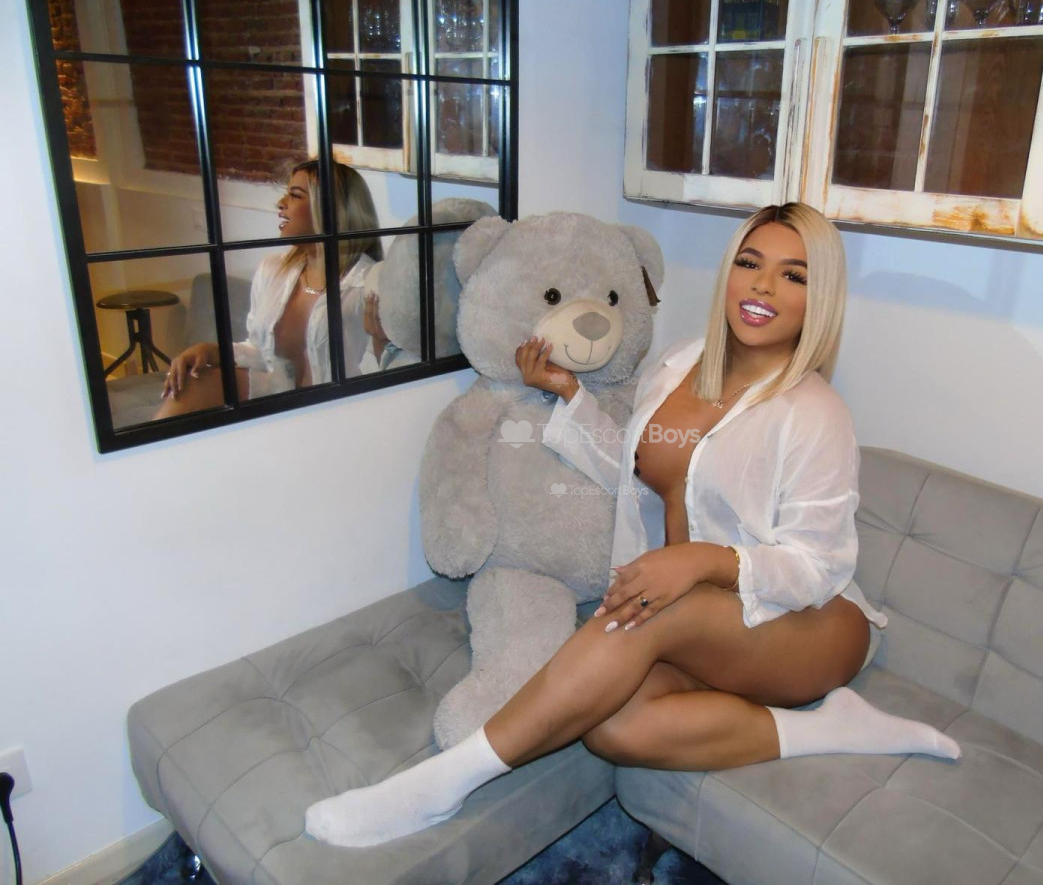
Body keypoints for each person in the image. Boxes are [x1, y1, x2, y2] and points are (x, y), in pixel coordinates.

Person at [304, 202, 961, 848]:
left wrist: (701, 561)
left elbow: (820, 565)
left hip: (810, 624)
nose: (763, 285)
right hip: (713, 627)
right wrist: (569, 393)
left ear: (820, 299)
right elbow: (634, 473)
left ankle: (442, 783)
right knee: (614, 730)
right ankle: (835, 729)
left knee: (655, 606)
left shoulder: (816, 413)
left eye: (794, 275)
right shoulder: (679, 366)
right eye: (750, 263)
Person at [155, 159, 382, 416]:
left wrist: (380, 343)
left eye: (295, 195)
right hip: (276, 398)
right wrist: (211, 351)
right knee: (194, 383)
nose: (280, 203)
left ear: (331, 209)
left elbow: (378, 372)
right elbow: (261, 352)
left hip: (335, 412)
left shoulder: (369, 283)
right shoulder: (273, 270)